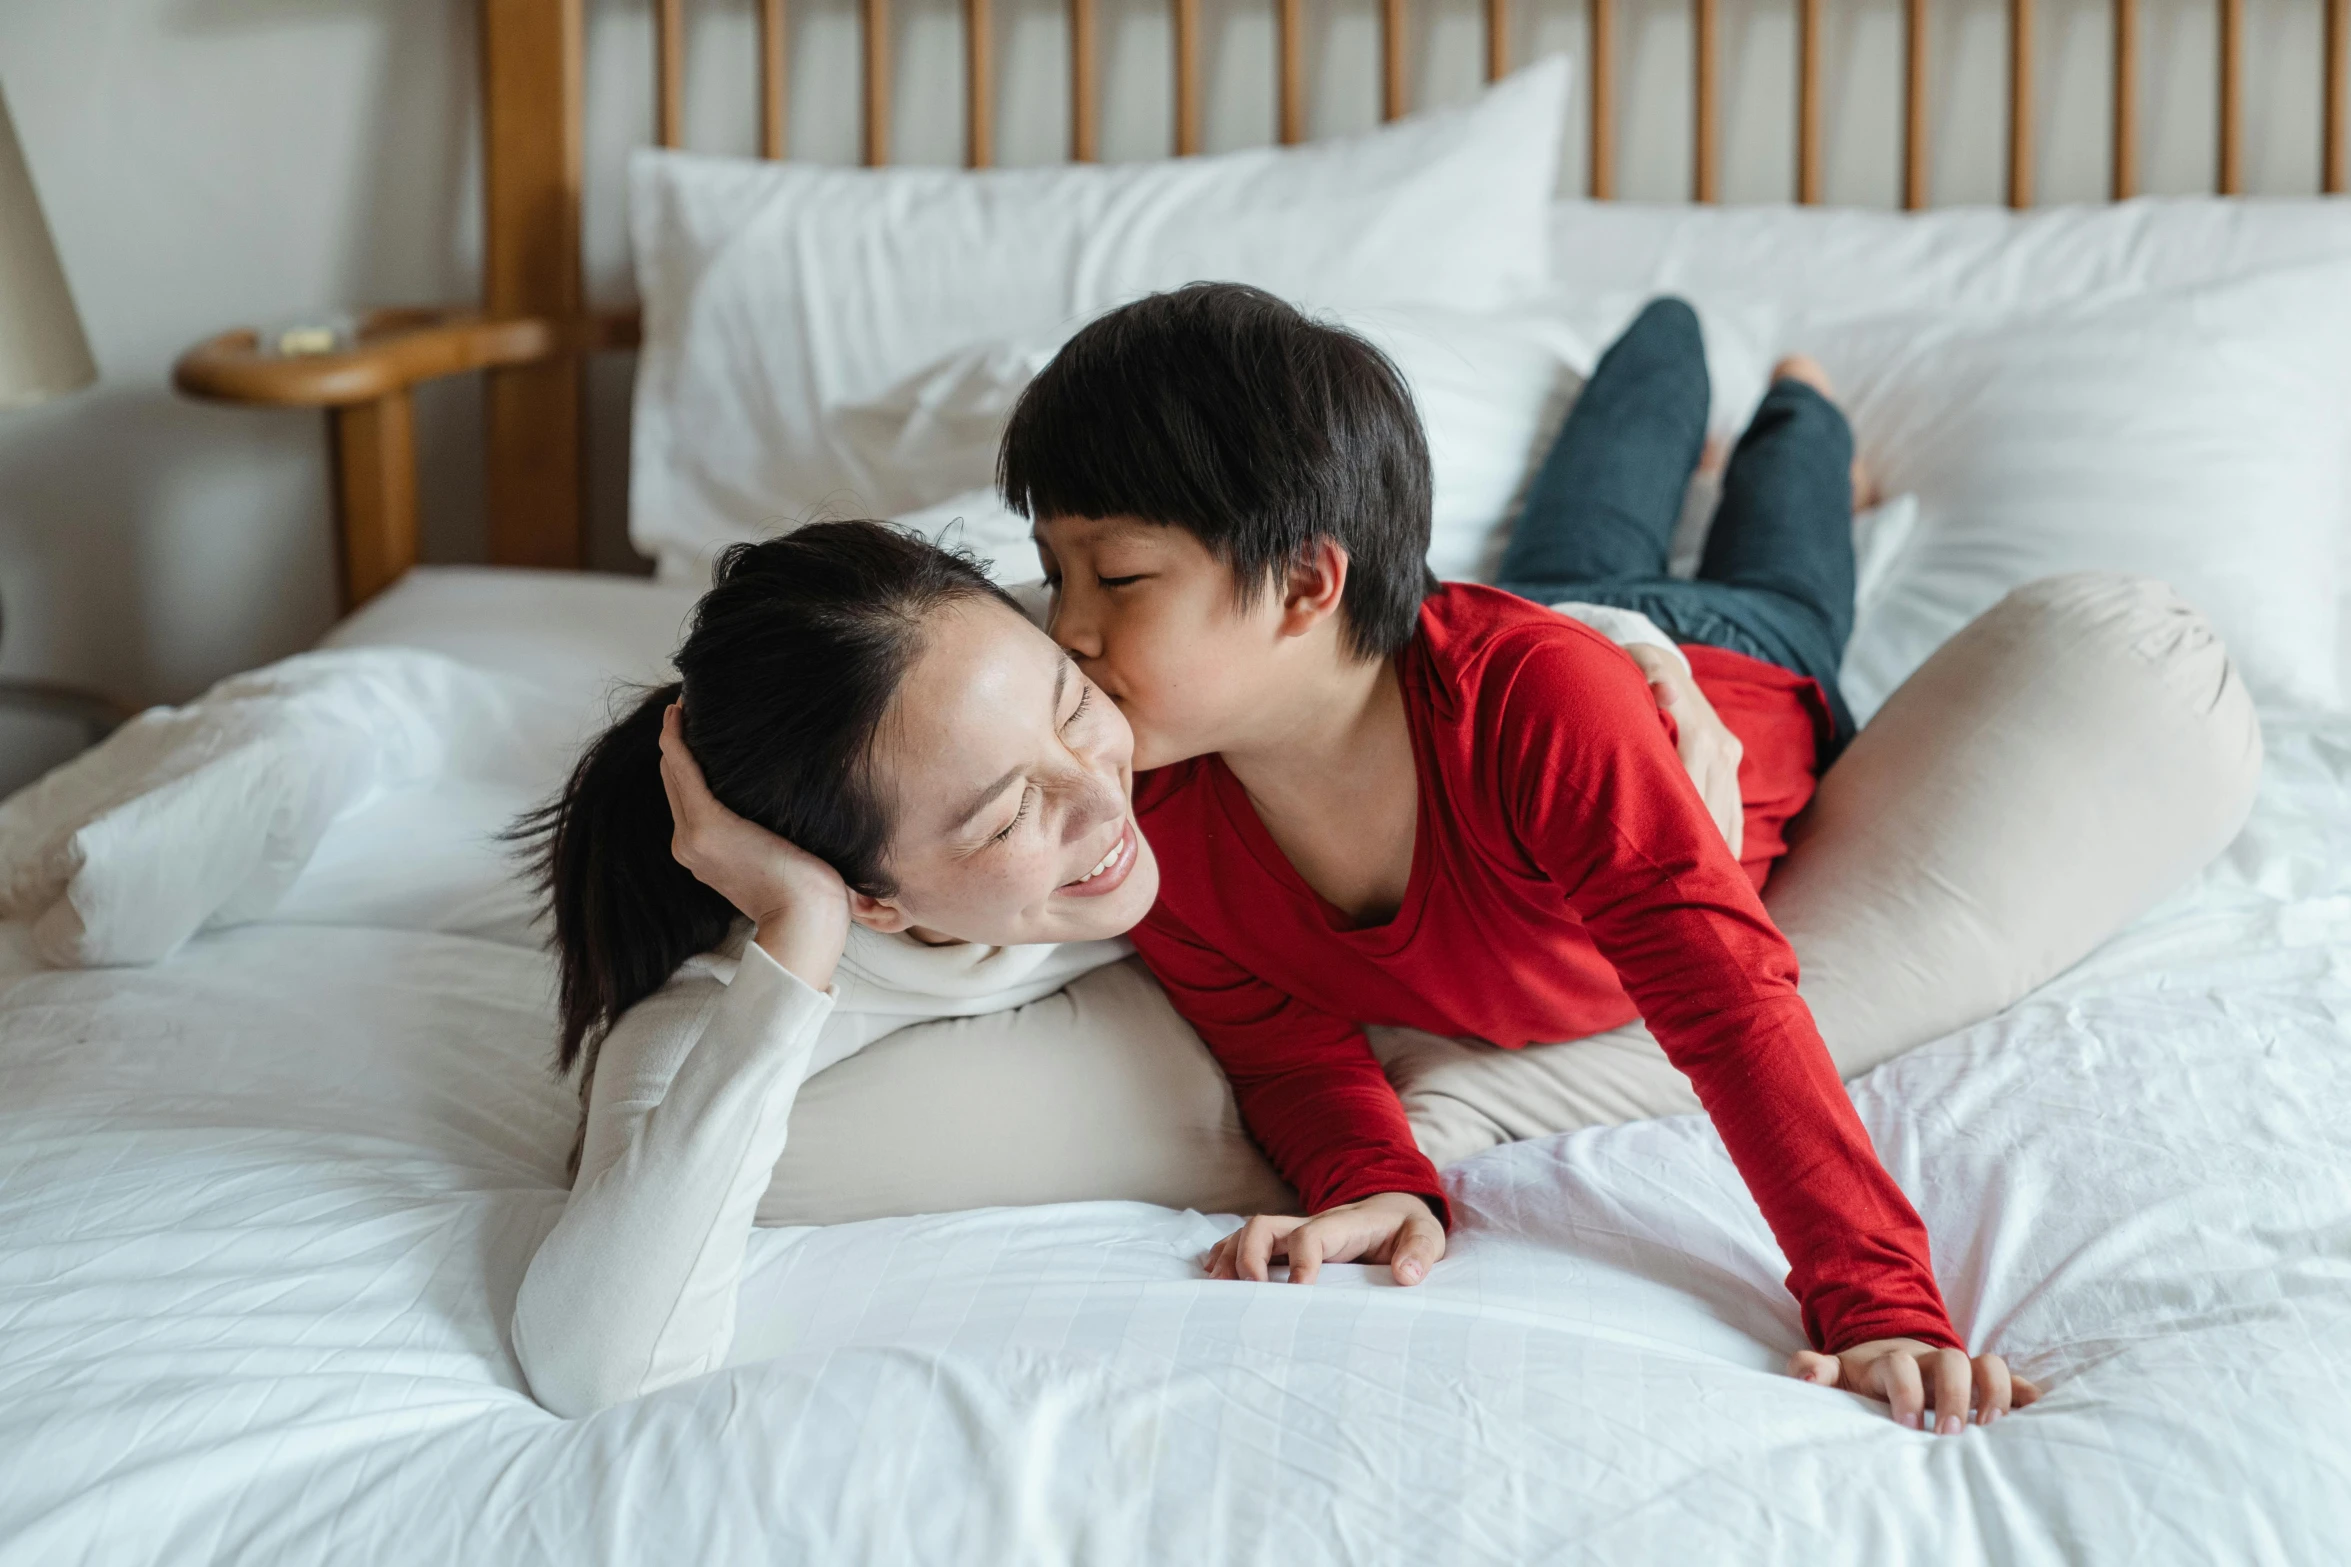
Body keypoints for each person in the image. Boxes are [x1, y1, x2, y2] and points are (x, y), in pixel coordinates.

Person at [1001, 284, 2039, 1432]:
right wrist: (1373, 1184)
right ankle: (1663, 350)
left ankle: (1782, 392)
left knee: (1784, 569)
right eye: (1055, 575)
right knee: (1577, 532)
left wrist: (1875, 1298)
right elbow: (1280, 1045)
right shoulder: (1153, 812)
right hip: (1532, 618)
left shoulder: (1537, 713)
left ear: (1305, 583)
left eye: (1119, 579)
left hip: (1721, 663)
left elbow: (1731, 1010)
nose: (1069, 633)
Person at [505, 517, 1711, 1416]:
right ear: (874, 898)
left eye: (1075, 707)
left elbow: (1325, 608)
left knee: (1626, 530)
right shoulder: (728, 1008)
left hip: (1625, 624)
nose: (1105, 798)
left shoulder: (1002, 663)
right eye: (1002, 817)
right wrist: (800, 927)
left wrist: (1618, 639)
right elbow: (589, 1363)